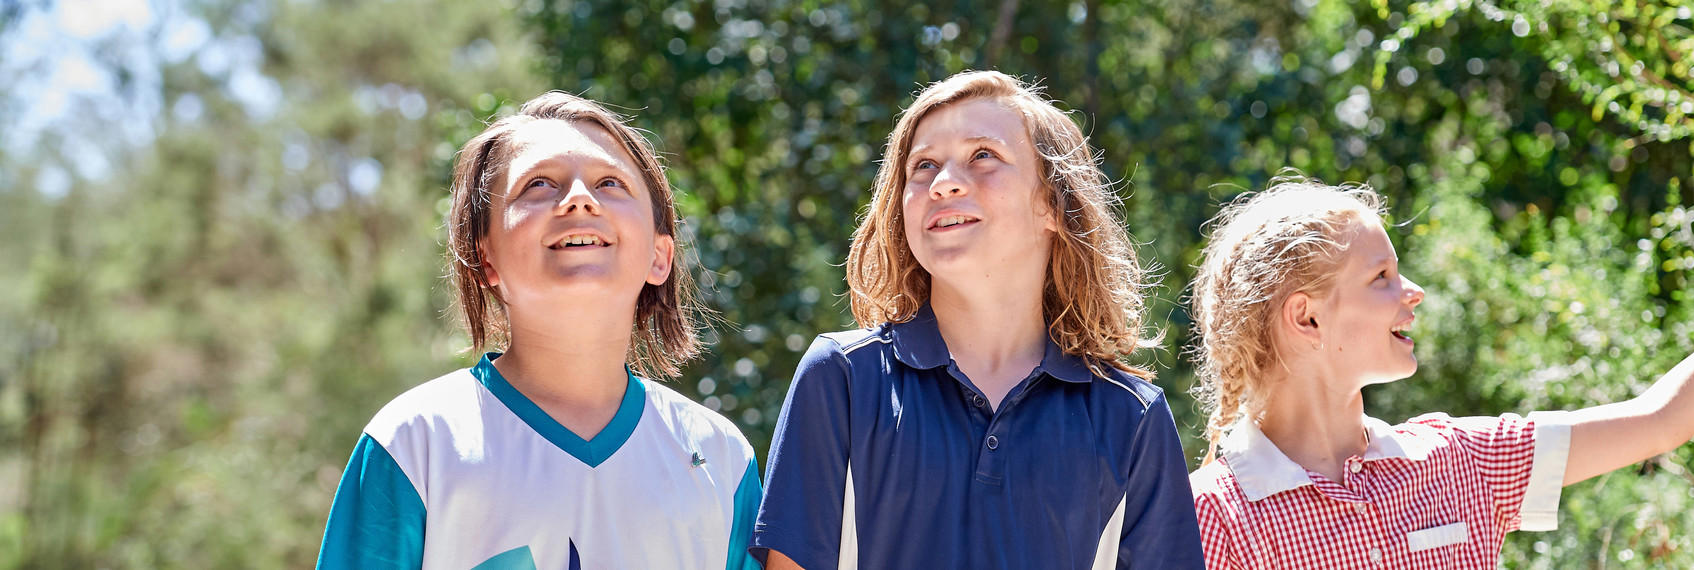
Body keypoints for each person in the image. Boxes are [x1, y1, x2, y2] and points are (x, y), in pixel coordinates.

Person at [1186, 171, 1694, 568]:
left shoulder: (1456, 462)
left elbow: (1662, 417)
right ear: (1306, 318)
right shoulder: (1207, 520)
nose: (1413, 291)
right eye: (1382, 276)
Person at [752, 71, 1204, 570]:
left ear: (1054, 205)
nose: (943, 182)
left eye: (983, 155)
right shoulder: (842, 378)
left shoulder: (1132, 418)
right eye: (923, 165)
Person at [315, 92, 761, 569]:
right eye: (539, 185)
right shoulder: (413, 442)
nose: (579, 199)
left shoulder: (722, 457)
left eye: (610, 182)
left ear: (659, 256)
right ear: (485, 258)